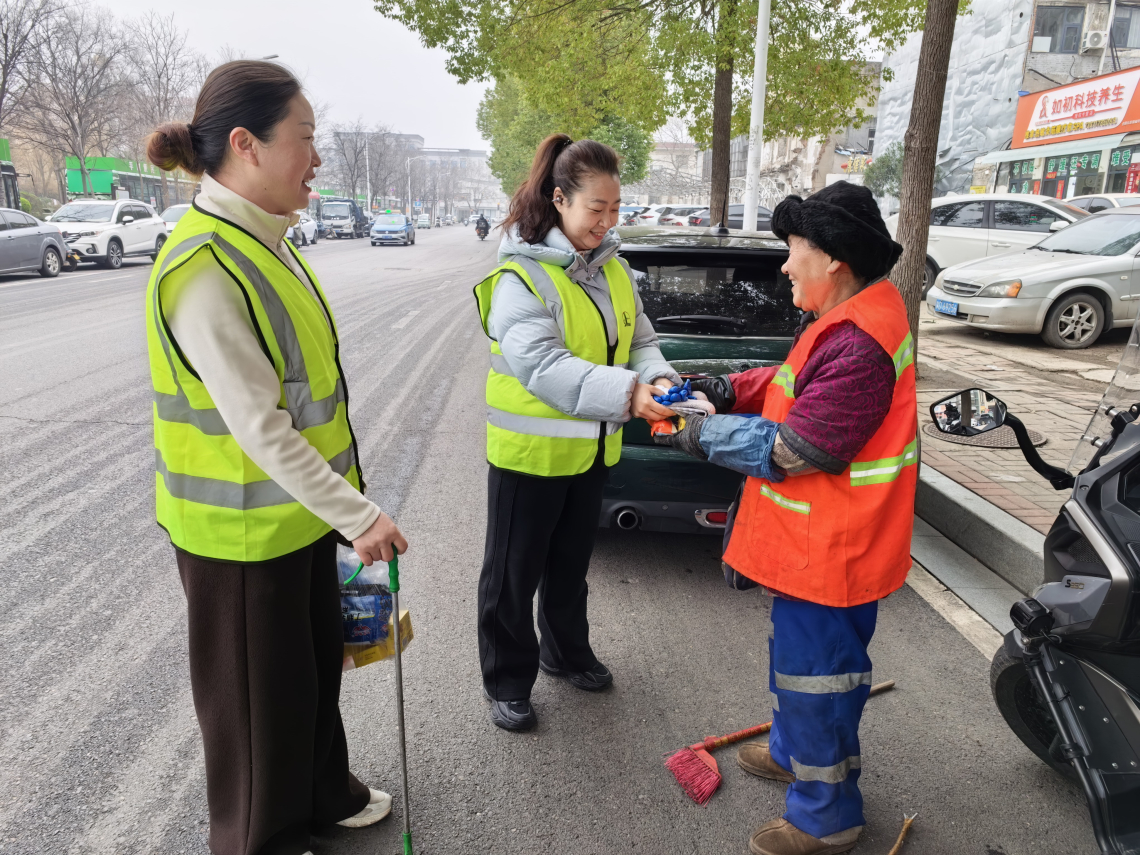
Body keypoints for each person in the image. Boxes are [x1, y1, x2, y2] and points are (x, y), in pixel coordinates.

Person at [144, 60, 408, 855]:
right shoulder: (206, 266)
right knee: (257, 710)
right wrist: (358, 515)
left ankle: (324, 793)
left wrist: (336, 512)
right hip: (238, 536)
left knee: (310, 674)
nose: (317, 158)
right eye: (305, 138)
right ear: (245, 144)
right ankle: (259, 837)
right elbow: (261, 428)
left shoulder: (263, 241)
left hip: (294, 518)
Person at [659, 181, 913, 855]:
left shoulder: (861, 343)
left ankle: (827, 817)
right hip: (814, 547)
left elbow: (797, 448)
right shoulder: (844, 317)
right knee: (797, 668)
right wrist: (722, 388)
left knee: (819, 683)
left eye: (794, 248)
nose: (785, 263)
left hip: (835, 554)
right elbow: (789, 381)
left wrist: (695, 431)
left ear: (832, 258)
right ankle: (789, 750)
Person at [472, 134, 679, 731]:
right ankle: (508, 680)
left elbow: (640, 341)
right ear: (559, 199)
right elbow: (542, 366)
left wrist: (660, 379)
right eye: (596, 208)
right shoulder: (520, 278)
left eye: (615, 208)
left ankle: (565, 653)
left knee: (569, 567)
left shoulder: (616, 272)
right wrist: (629, 394)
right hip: (528, 457)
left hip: (590, 454)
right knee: (513, 577)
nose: (607, 221)